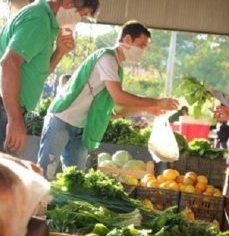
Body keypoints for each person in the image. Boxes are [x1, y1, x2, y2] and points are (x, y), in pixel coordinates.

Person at [0, 0, 100, 154]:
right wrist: (15, 120)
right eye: (82, 15)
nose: (79, 21)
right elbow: (9, 64)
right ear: (68, 3)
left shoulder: (43, 21)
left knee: (3, 178)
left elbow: (37, 74)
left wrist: (59, 52)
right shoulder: (38, 21)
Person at [37, 21, 179, 180]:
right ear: (127, 40)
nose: (142, 51)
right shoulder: (106, 58)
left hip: (82, 127)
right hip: (61, 119)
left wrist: (147, 109)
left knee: (74, 180)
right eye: (141, 45)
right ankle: (37, 205)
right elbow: (119, 96)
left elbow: (116, 109)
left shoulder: (116, 68)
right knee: (45, 173)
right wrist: (156, 102)